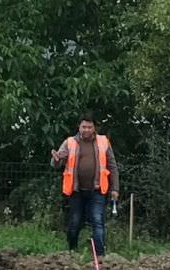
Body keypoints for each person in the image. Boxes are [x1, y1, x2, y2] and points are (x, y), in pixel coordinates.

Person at [51, 111, 119, 261]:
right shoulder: (69, 142)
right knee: (75, 221)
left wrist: (115, 188)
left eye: (89, 127)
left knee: (97, 220)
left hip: (97, 190)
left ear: (94, 128)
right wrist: (56, 159)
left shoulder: (103, 142)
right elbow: (57, 163)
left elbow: (112, 166)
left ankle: (100, 257)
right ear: (79, 127)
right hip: (76, 190)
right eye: (84, 127)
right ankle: (72, 253)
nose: (86, 130)